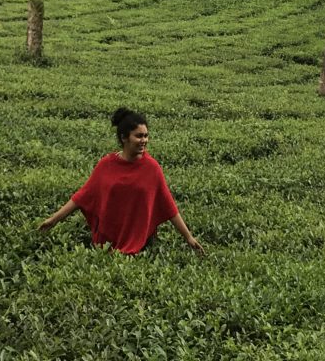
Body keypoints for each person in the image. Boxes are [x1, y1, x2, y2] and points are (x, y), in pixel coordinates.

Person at [38, 108, 205, 256]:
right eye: (139, 136)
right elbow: (82, 197)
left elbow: (168, 206)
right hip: (107, 239)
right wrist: (53, 220)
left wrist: (188, 237)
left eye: (146, 136)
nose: (144, 140)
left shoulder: (151, 168)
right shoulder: (106, 164)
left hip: (139, 240)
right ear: (124, 138)